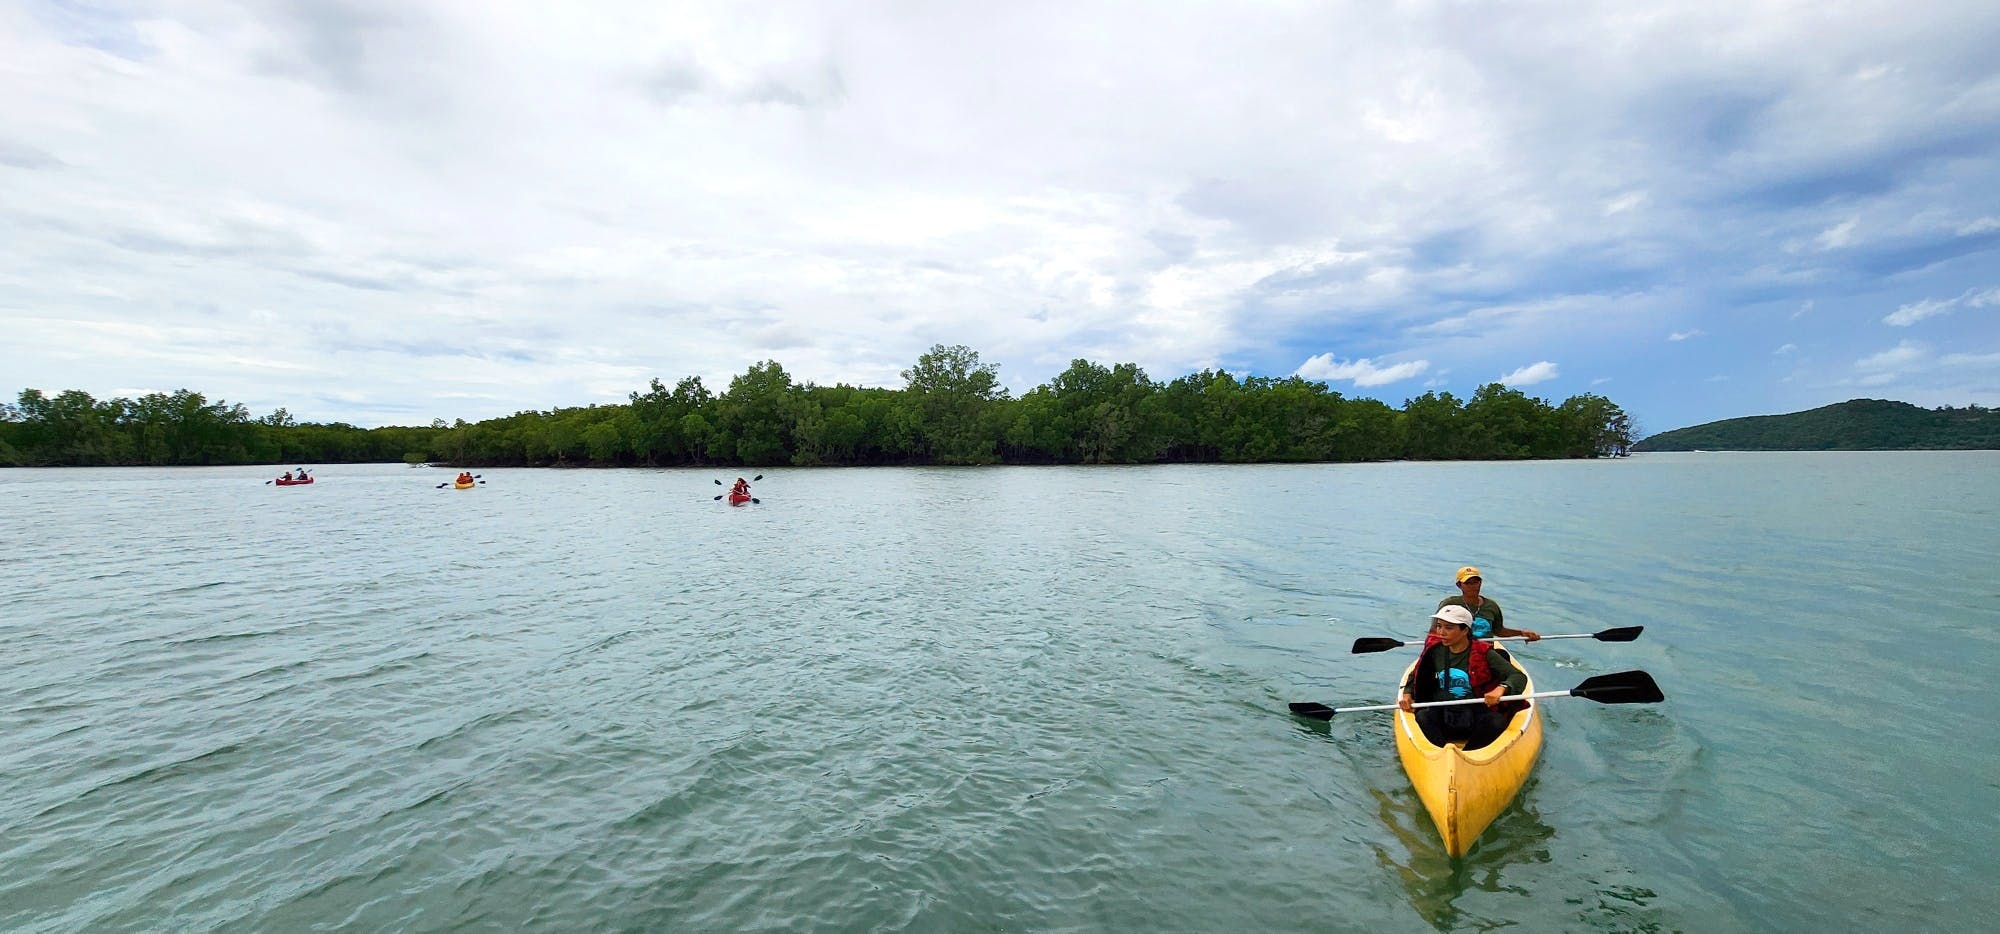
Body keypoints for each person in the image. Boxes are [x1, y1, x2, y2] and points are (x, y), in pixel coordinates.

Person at [1398, 605, 1527, 749]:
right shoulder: (1434, 650)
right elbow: (1416, 673)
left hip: (1474, 713)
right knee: (1423, 716)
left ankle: (1469, 752)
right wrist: (1407, 693)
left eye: (1449, 628)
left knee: (1496, 722)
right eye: (1439, 626)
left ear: (1465, 630)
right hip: (1442, 711)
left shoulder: (1484, 653)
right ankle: (1440, 751)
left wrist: (1501, 689)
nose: (1441, 632)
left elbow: (1518, 676)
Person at [1438, 566, 1539, 642]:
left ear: (1480, 583)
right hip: (1458, 651)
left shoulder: (1491, 606)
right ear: (1459, 585)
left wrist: (1522, 633)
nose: (1472, 586)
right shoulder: (1449, 604)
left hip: (1485, 651)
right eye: (1468, 583)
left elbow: (1499, 630)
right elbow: (1435, 632)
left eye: (1475, 582)